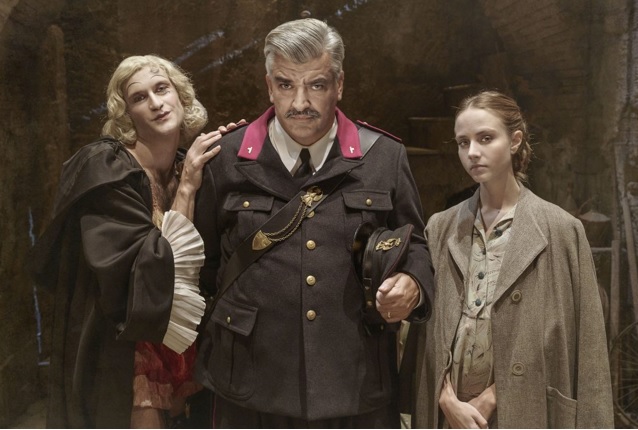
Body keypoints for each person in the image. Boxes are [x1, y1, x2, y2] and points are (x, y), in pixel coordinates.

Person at [193, 18, 434, 428]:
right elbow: (204, 268)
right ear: (269, 86)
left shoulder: (384, 157)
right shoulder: (226, 158)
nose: (300, 102)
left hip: (353, 379)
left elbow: (416, 246)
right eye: (286, 84)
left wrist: (413, 282)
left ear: (339, 84)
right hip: (250, 385)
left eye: (316, 85)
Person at [28, 54, 226, 428]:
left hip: (182, 340)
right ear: (127, 115)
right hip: (126, 345)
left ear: (181, 96)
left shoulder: (186, 165)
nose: (155, 103)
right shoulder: (109, 166)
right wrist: (187, 188)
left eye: (162, 88)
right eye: (139, 97)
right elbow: (150, 268)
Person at [406, 90, 613, 428]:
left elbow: (588, 347)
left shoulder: (561, 231)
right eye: (463, 142)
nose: (472, 152)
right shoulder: (441, 228)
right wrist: (443, 396)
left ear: (515, 141)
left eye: (485, 138)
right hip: (449, 415)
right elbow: (424, 334)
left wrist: (495, 394)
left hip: (527, 409)